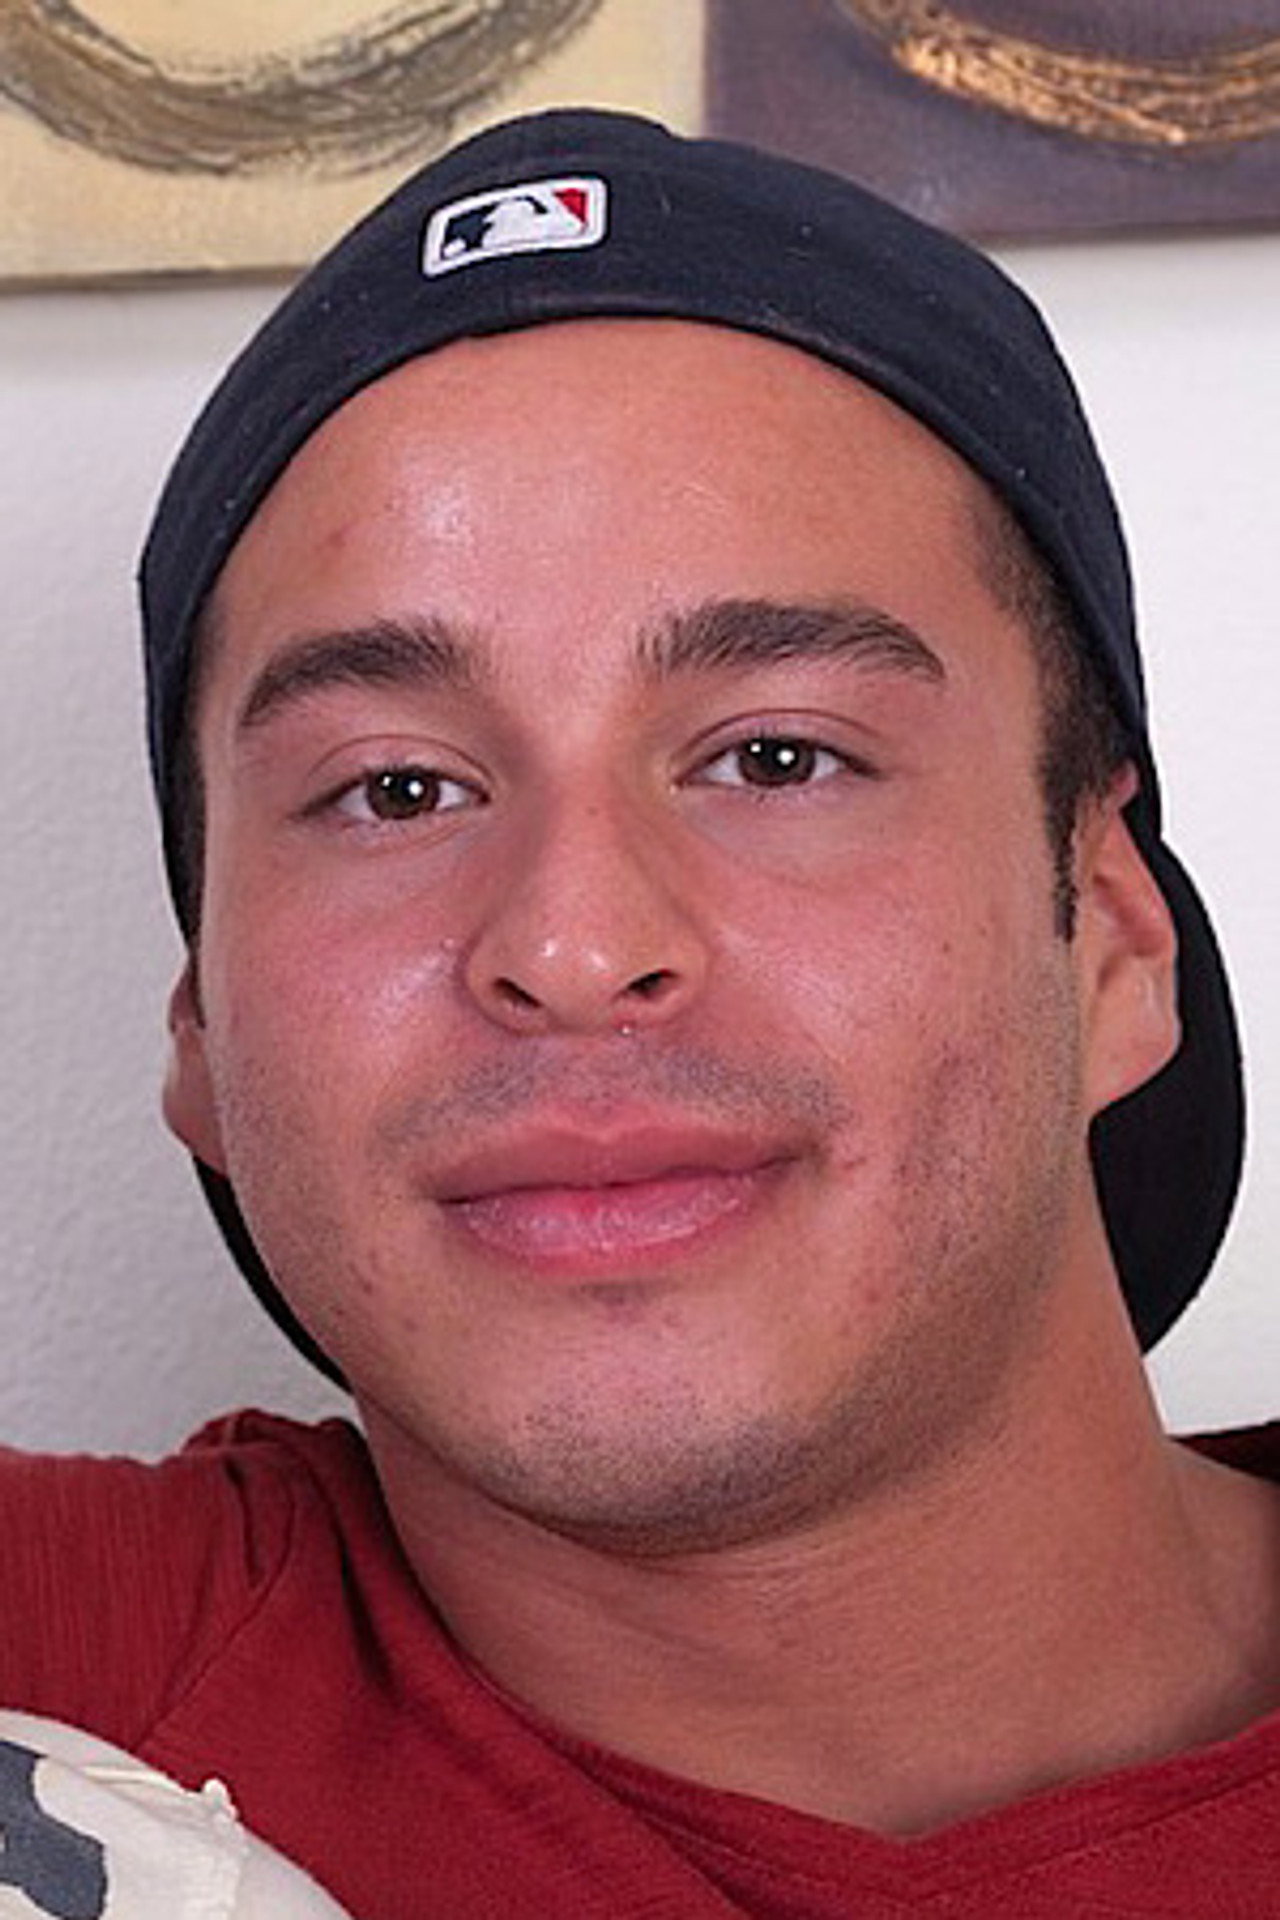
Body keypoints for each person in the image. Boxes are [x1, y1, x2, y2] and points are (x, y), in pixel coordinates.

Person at [5, 107, 1279, 1916]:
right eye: (395, 790)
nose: (573, 943)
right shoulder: (67, 1676)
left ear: (1117, 943)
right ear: (206, 1031)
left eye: (777, 757)